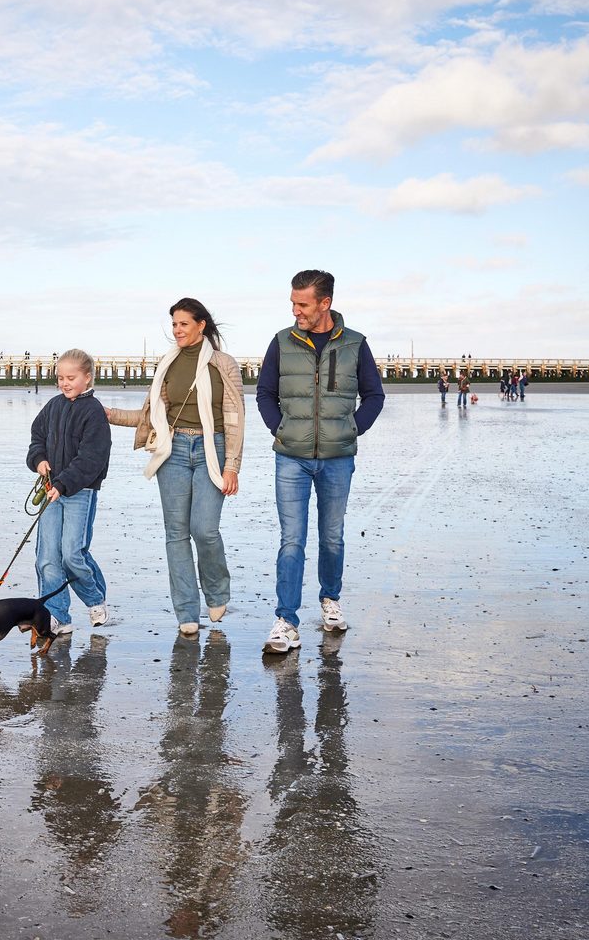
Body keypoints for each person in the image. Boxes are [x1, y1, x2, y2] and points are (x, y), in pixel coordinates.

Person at [256, 270, 384, 654]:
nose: (296, 311)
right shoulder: (281, 342)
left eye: (303, 304)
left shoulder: (356, 344)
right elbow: (265, 392)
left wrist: (351, 430)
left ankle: (330, 600)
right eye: (293, 303)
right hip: (291, 459)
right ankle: (286, 622)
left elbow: (374, 396)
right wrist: (281, 429)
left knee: (332, 536)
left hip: (338, 459)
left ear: (324, 303)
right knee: (291, 540)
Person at [104, 298, 245, 638]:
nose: (177, 330)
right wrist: (108, 414)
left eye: (183, 323)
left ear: (201, 325)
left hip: (213, 446)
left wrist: (232, 467)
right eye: (174, 324)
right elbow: (151, 415)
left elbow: (236, 419)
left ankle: (216, 592)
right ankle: (186, 611)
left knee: (205, 530)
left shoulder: (224, 364)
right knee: (176, 533)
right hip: (174, 449)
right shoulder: (167, 364)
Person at [28, 348, 112, 634]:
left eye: (71, 377)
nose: (65, 383)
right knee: (47, 557)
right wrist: (38, 460)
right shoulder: (52, 406)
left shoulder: (94, 412)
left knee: (72, 555)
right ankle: (58, 616)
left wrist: (64, 485)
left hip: (80, 492)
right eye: (60, 377)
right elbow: (36, 437)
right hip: (51, 491)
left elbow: (92, 458)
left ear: (87, 378)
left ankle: (95, 599)